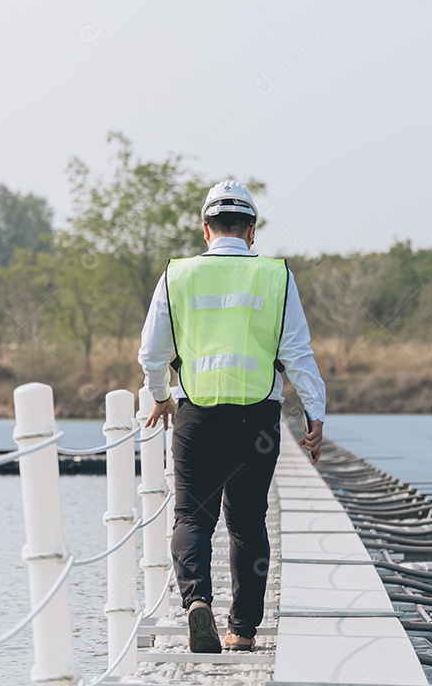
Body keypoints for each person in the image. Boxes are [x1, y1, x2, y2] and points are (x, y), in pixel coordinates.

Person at [138, 179, 326, 653]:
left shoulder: (177, 275)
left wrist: (160, 394)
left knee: (191, 517)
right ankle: (242, 630)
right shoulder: (276, 276)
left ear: (206, 229)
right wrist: (315, 414)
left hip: (197, 415)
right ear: (252, 231)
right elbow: (297, 353)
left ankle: (197, 600)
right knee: (247, 522)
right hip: (256, 420)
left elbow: (151, 353)